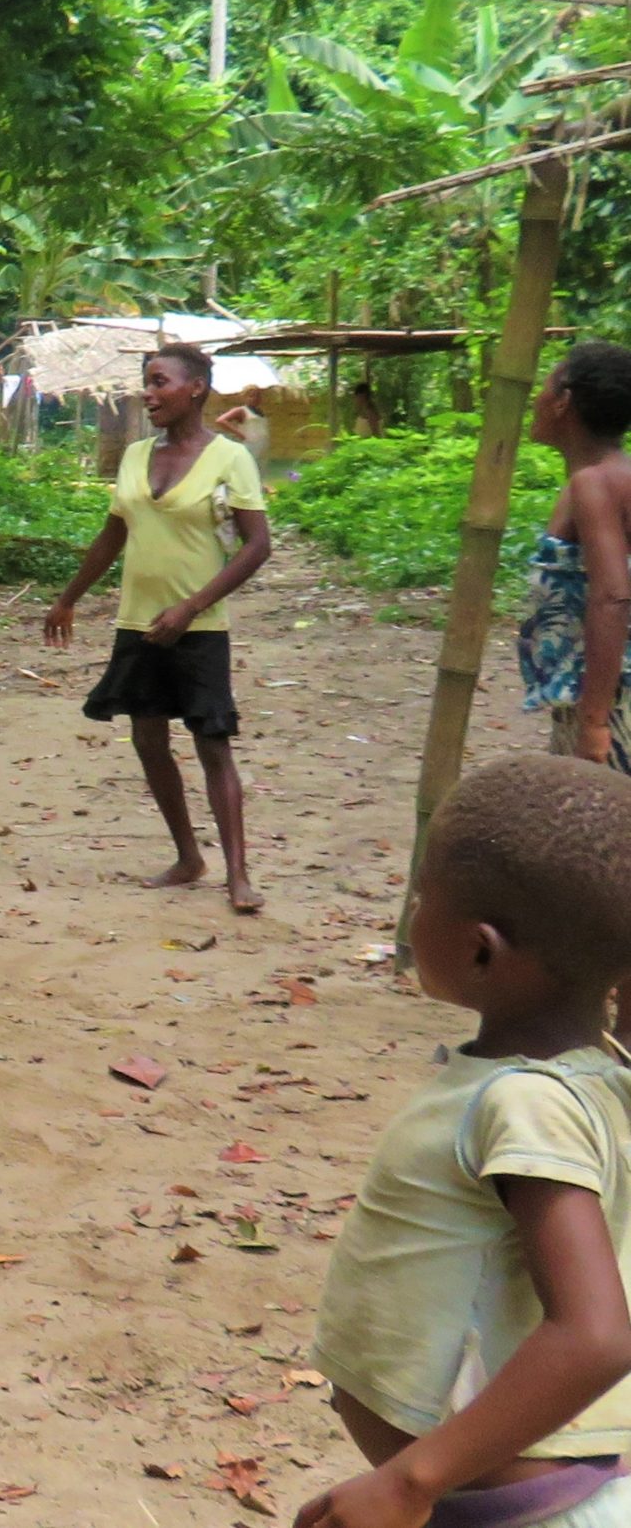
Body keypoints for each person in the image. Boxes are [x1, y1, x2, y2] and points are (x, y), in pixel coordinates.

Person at [300, 754, 631, 1528]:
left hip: (522, 1510)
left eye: (421, 898)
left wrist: (410, 1481)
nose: (412, 915)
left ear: (480, 950)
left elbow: (596, 1333)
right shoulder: (598, 1075)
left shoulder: (522, 1103)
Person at [44, 343, 273, 914]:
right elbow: (113, 535)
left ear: (195, 388)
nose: (147, 392)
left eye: (159, 381)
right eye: (146, 382)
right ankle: (188, 857)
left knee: (211, 744)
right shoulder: (136, 454)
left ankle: (237, 876)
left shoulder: (229, 458)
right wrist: (68, 598)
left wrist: (192, 607)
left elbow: (258, 546)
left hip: (199, 626)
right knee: (148, 739)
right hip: (138, 623)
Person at [519, 341, 631, 777]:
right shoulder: (609, 478)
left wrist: (594, 722)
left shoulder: (594, 484)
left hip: (612, 707)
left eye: (546, 385)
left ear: (564, 401)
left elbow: (613, 597)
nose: (537, 398)